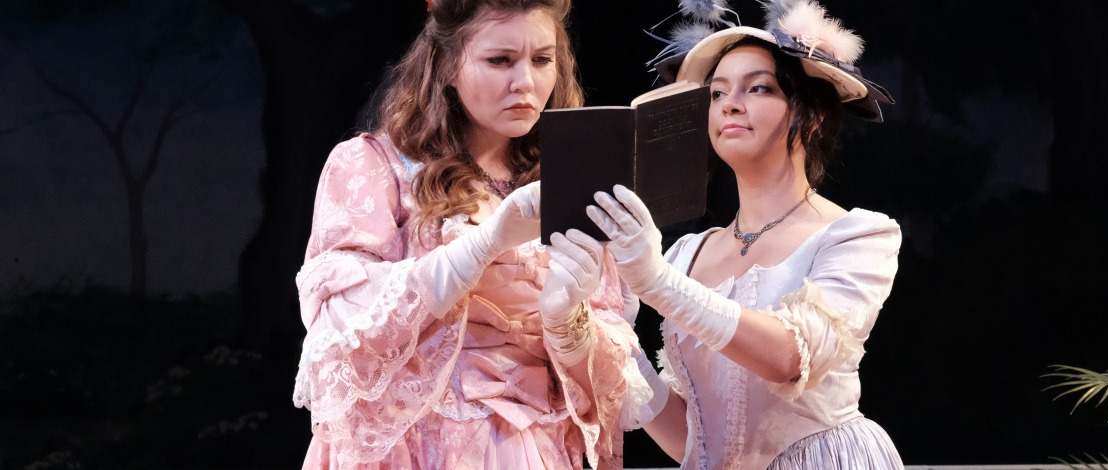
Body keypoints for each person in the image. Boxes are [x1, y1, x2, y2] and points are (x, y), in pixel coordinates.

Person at [291, 0, 646, 468]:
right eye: (500, 60)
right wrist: (484, 245)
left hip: (535, 448)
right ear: (445, 65)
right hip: (415, 446)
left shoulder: (572, 181)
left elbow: (610, 383)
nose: (525, 82)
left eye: (542, 60)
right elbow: (341, 326)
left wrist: (568, 322)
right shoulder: (374, 166)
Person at [586, 3, 905, 468]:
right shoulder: (685, 255)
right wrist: (601, 334)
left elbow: (789, 358)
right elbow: (695, 441)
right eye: (717, 94)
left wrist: (656, 282)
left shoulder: (856, 236)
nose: (730, 103)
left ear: (811, 114)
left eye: (759, 87)